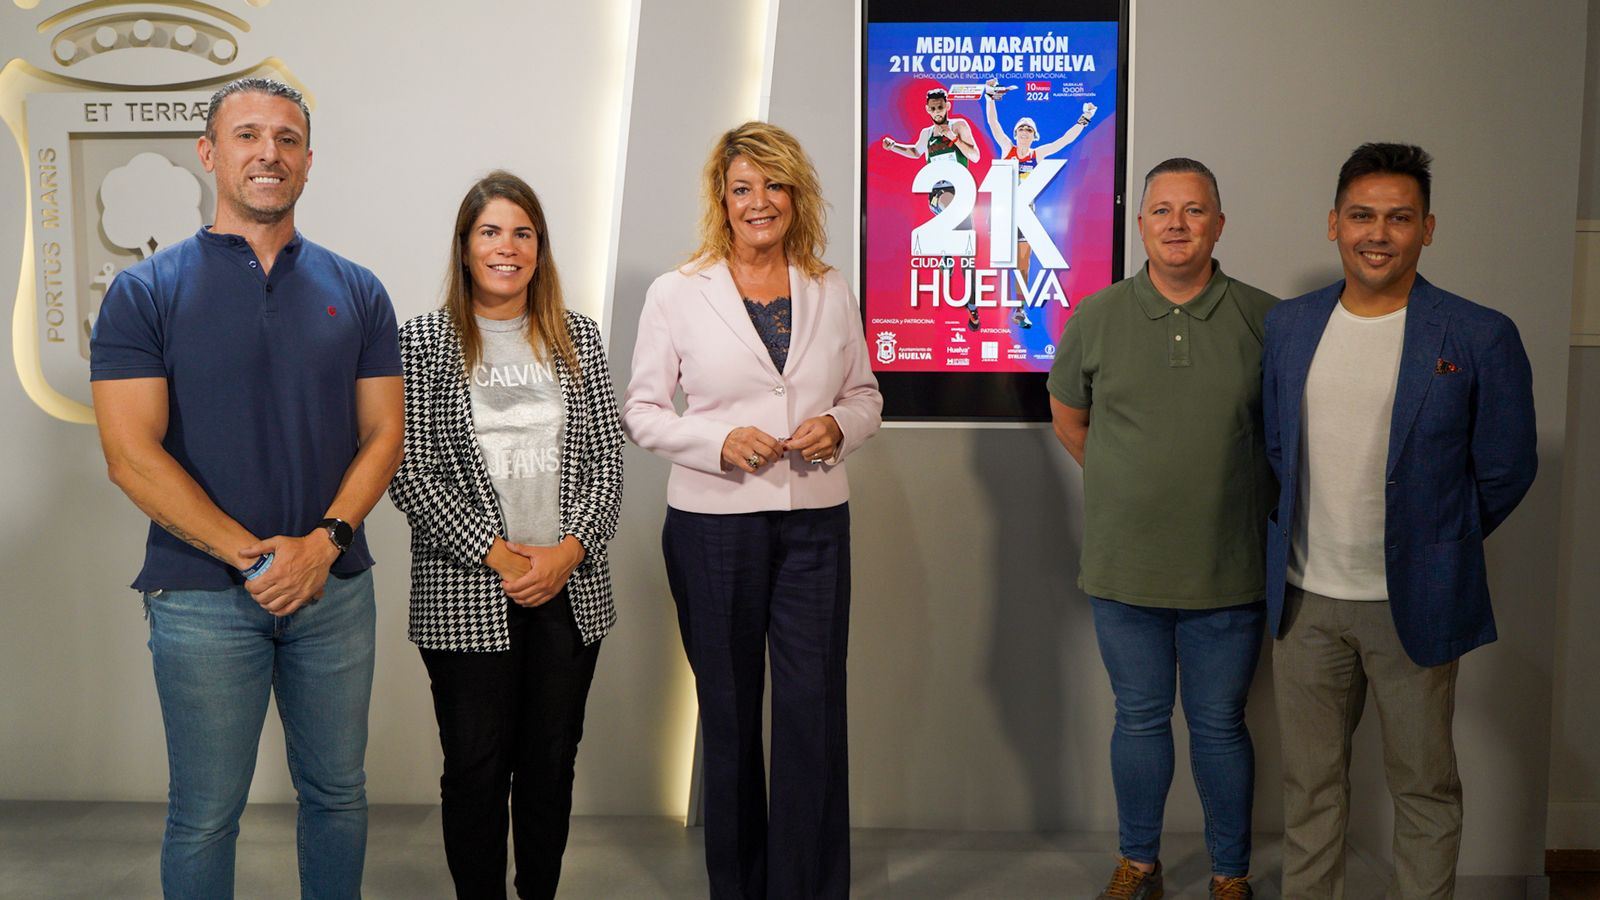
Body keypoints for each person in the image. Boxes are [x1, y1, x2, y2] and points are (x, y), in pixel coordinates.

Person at [88, 77, 403, 899]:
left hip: (333, 589)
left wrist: (322, 544)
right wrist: (257, 559)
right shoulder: (145, 292)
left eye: (288, 139)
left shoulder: (359, 290)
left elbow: (384, 436)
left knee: (339, 796)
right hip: (198, 594)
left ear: (308, 163)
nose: (270, 153)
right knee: (204, 814)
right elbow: (130, 454)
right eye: (249, 136)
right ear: (210, 153)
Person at [1262, 143, 1537, 900]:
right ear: (1333, 224)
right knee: (1310, 792)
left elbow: (1508, 467)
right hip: (1304, 601)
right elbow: (1278, 450)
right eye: (1362, 216)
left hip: (1413, 601)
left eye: (1398, 218)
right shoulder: (1289, 328)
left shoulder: (1478, 334)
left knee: (1424, 789)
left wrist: (1435, 545)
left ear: (1428, 228)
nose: (1377, 233)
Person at [622, 121, 883, 899]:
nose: (757, 202)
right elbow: (641, 410)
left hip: (814, 526)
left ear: (795, 196)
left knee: (813, 713)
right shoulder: (677, 291)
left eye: (773, 185)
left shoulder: (830, 286)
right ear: (722, 200)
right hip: (711, 528)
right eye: (742, 188)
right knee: (731, 716)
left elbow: (865, 397)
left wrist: (839, 426)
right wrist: (714, 439)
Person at [386, 171, 623, 899]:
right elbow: (408, 470)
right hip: (467, 592)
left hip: (569, 591)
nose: (507, 247)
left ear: (540, 249)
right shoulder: (423, 342)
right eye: (490, 231)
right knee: (476, 767)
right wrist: (501, 555)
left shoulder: (576, 335)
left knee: (551, 765)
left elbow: (608, 458)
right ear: (464, 248)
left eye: (523, 233)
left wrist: (566, 552)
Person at [1048, 158, 1276, 900]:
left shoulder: (1267, 319)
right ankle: (1138, 861)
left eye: (1194, 209)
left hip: (1228, 567)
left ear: (1219, 222)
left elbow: (1283, 439)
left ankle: (1229, 874)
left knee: (1219, 726)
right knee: (1139, 719)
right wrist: (1128, 485)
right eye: (1162, 210)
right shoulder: (1097, 315)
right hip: (1125, 567)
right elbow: (1069, 419)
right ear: (1140, 223)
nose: (1177, 224)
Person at [981, 78, 1097, 326]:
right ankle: (978, 304)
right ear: (1015, 134)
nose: (1024, 132)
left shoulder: (1038, 154)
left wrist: (1084, 118)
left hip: (1026, 215)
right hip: (1003, 212)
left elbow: (1065, 140)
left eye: (1028, 130)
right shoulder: (1006, 147)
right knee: (994, 259)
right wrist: (989, 96)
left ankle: (1019, 310)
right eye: (1021, 129)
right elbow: (993, 122)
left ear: (1034, 136)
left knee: (1023, 264)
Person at [880, 86, 981, 169]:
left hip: (960, 185)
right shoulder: (927, 133)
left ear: (948, 106)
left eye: (940, 107)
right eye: (932, 108)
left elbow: (975, 157)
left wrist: (954, 138)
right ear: (927, 109)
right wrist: (893, 146)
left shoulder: (959, 125)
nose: (937, 111)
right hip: (936, 187)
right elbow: (915, 152)